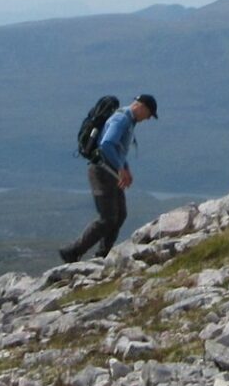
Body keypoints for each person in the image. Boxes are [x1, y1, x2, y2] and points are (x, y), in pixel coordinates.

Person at [60, 93, 158, 262]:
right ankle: (72, 251)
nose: (148, 118)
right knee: (108, 218)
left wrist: (125, 168)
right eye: (149, 114)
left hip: (111, 171)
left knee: (120, 215)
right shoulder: (121, 119)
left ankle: (103, 254)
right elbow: (107, 144)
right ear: (141, 107)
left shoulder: (128, 120)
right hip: (103, 171)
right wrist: (120, 168)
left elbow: (118, 149)